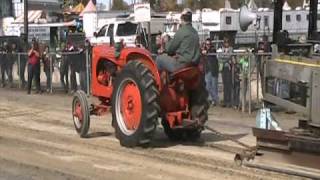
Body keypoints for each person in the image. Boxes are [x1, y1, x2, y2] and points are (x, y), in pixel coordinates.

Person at [156, 8, 200, 73]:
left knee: (159, 59)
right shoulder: (195, 32)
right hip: (194, 65)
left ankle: (158, 83)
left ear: (182, 19)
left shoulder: (181, 31)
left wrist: (166, 42)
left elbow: (170, 49)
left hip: (182, 65)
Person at [202, 38, 219, 106]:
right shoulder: (204, 50)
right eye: (206, 44)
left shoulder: (213, 49)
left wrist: (206, 51)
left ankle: (214, 100)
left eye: (209, 44)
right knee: (207, 86)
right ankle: (215, 99)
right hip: (207, 70)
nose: (207, 45)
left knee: (214, 86)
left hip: (214, 70)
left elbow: (211, 52)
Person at [218, 38, 233, 107]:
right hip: (223, 67)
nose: (226, 43)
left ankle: (229, 101)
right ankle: (225, 100)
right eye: (225, 42)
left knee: (228, 84)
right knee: (224, 84)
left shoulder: (230, 48)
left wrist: (224, 57)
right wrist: (225, 58)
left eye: (227, 42)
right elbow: (219, 57)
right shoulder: (221, 49)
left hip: (228, 68)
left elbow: (229, 56)